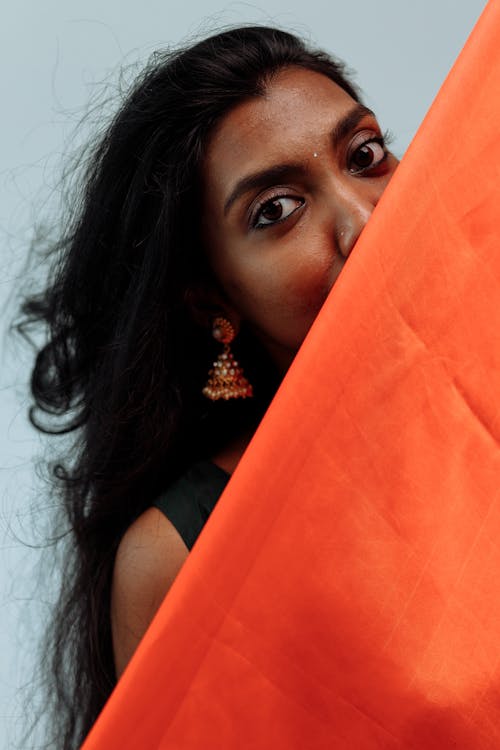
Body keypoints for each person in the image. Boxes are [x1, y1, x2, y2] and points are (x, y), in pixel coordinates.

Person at [18, 25, 398, 749]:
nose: (363, 220)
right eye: (276, 210)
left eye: (366, 155)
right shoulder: (187, 554)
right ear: (211, 301)